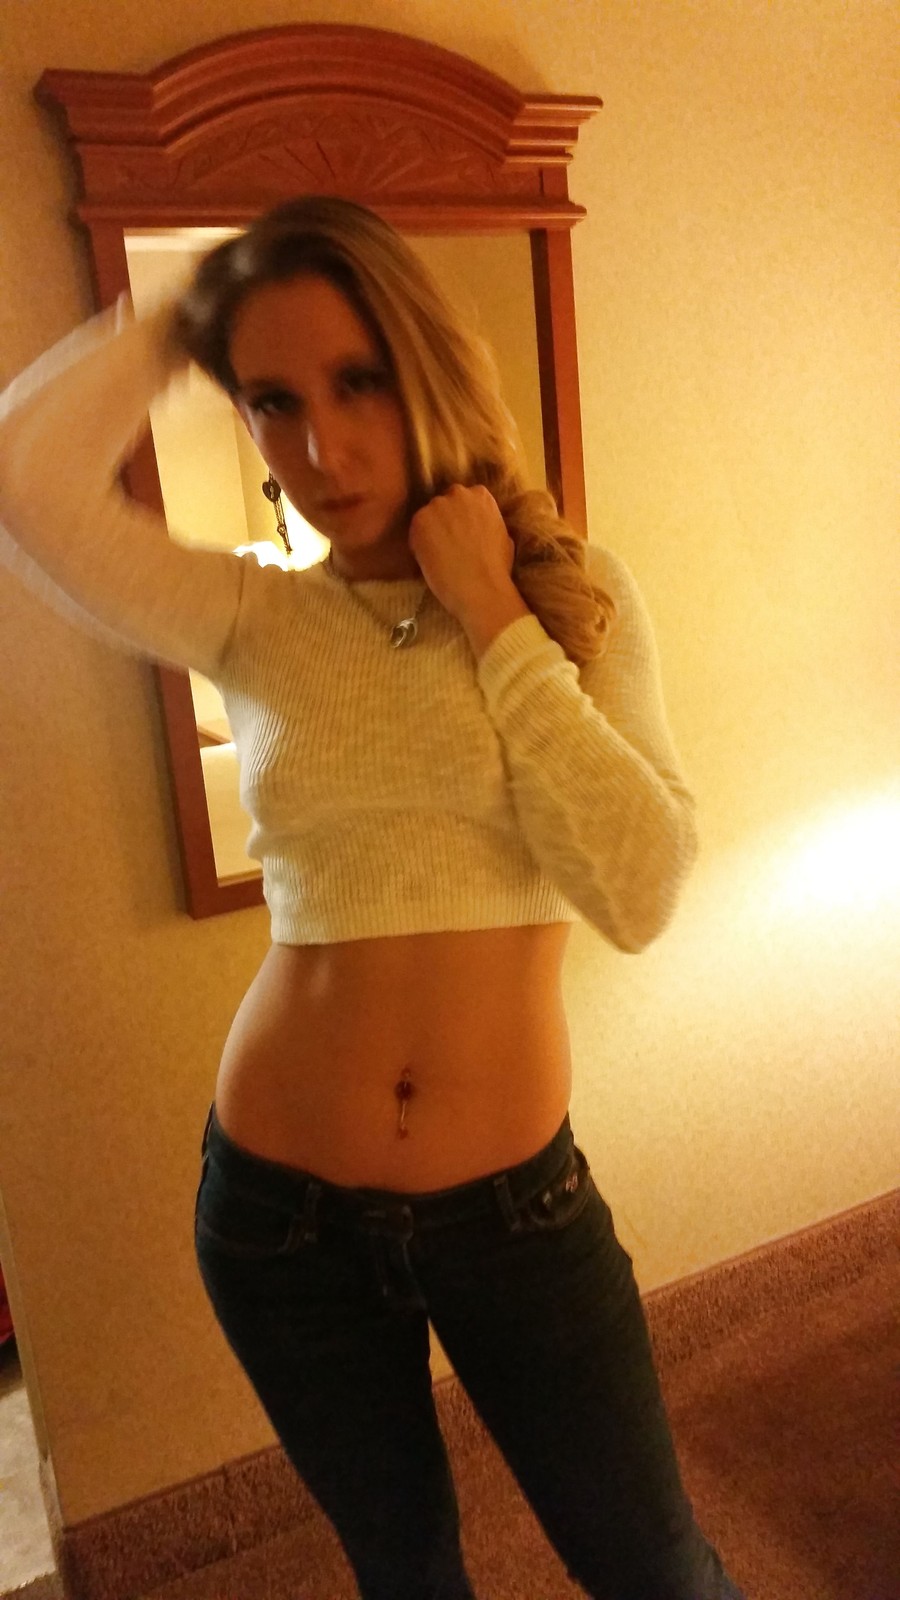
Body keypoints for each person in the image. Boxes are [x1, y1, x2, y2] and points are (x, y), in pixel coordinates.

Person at [0, 196, 746, 1600]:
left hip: (518, 1213)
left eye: (359, 381)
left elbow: (641, 888)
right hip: (276, 1216)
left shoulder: (575, 598)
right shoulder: (256, 617)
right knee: (405, 1573)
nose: (320, 448)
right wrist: (190, 308)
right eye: (272, 400)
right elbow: (25, 481)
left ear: (432, 372)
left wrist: (496, 618)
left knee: (656, 1568)